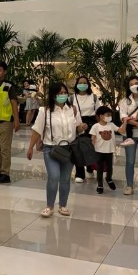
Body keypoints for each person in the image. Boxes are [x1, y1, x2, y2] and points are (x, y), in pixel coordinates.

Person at [27, 82, 87, 217]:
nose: (63, 95)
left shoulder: (73, 109)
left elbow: (77, 127)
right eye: (60, 93)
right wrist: (30, 147)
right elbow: (36, 130)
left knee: (65, 179)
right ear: (53, 95)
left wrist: (81, 127)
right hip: (51, 149)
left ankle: (63, 205)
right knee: (54, 177)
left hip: (70, 149)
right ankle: (49, 206)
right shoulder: (45, 111)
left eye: (65, 92)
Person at [0, 61, 20, 183]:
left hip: (5, 121)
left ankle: (5, 173)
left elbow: (13, 102)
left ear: (4, 72)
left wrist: (16, 120)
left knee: (4, 148)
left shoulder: (9, 86)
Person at [72, 75, 100, 183]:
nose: (82, 85)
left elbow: (98, 112)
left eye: (84, 83)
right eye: (80, 82)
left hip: (92, 123)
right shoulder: (72, 97)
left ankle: (90, 167)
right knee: (77, 147)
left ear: (88, 85)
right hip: (77, 123)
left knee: (90, 146)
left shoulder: (93, 97)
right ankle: (79, 173)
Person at [90, 106, 118, 194]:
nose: (110, 117)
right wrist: (92, 145)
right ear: (101, 116)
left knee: (110, 167)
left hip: (109, 150)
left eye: (110, 115)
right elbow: (93, 137)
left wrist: (125, 122)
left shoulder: (111, 125)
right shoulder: (96, 126)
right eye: (108, 115)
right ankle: (100, 184)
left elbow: (120, 130)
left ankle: (108, 178)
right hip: (99, 151)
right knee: (100, 168)